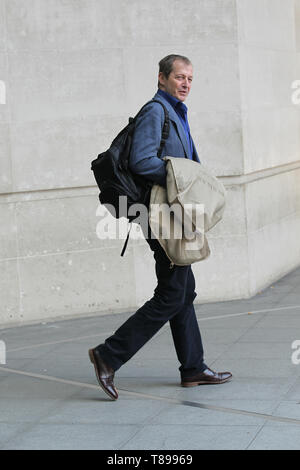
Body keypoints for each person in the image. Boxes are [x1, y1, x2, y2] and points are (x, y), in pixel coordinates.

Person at [89, 54, 232, 400]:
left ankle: (193, 367)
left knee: (183, 291)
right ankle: (108, 355)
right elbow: (141, 160)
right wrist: (181, 177)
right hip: (157, 215)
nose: (185, 84)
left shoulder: (176, 112)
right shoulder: (156, 111)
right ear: (162, 78)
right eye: (179, 77)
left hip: (170, 213)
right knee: (172, 294)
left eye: (190, 79)